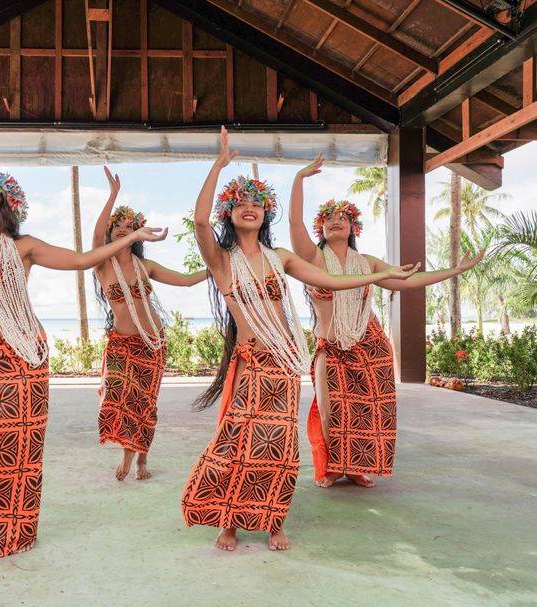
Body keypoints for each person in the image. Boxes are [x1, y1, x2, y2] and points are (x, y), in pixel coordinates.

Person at [0, 107, 168, 560]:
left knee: (11, 446)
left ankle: (10, 522)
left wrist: (130, 239)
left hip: (23, 354)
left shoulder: (24, 247)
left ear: (6, 205)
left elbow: (82, 260)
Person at [180, 127, 420, 552]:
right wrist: (218, 165)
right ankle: (230, 522)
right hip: (251, 361)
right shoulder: (221, 261)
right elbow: (199, 221)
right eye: (241, 203)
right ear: (229, 214)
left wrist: (383, 274)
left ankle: (274, 522)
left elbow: (332, 280)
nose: (250, 208)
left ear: (265, 214)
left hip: (285, 362)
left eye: (257, 204)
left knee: (279, 447)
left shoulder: (281, 259)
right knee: (238, 441)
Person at [288, 153, 484, 488]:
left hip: (370, 344)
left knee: (368, 410)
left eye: (343, 218)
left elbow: (407, 281)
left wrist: (455, 270)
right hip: (331, 346)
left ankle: (356, 468)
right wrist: (298, 179)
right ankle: (332, 467)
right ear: (321, 227)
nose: (336, 221)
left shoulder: (367, 263)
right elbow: (295, 225)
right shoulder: (313, 258)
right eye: (329, 218)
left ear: (353, 228)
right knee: (330, 407)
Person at [92, 166, 207, 481]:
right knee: (117, 399)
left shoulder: (146, 266)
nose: (122, 229)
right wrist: (112, 195)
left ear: (138, 233)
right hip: (121, 344)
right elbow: (96, 236)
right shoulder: (102, 265)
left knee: (144, 403)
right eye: (118, 225)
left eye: (129, 226)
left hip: (152, 343)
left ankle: (138, 459)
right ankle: (130, 453)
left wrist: (219, 267)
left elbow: (186, 280)